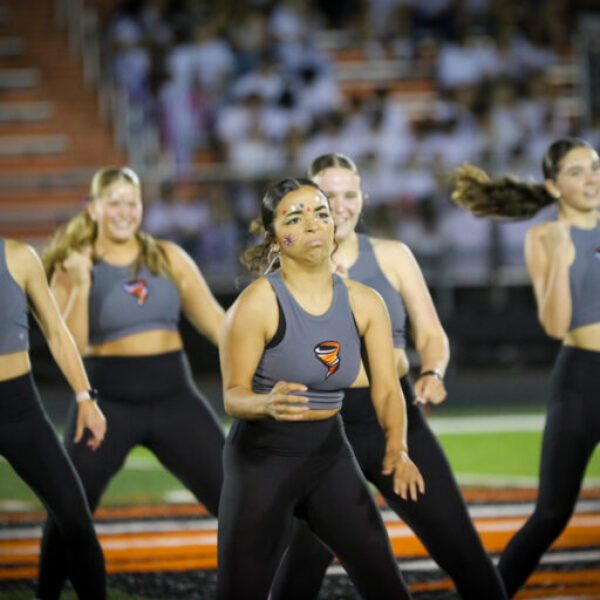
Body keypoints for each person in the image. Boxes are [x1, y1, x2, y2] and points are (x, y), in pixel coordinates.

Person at [270, 153, 507, 600]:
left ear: (363, 198)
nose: (339, 206)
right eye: (327, 196)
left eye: (349, 194)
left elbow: (432, 334)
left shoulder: (393, 255)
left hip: (393, 419)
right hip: (319, 430)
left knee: (462, 550)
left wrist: (433, 371)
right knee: (302, 565)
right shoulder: (285, 265)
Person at [217, 177, 425, 600]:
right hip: (262, 462)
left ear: (335, 226)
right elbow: (232, 395)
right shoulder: (258, 302)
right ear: (276, 237)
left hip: (329, 454)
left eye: (321, 213)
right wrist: (265, 402)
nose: (312, 224)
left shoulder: (366, 302)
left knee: (387, 586)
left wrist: (397, 448)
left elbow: (386, 390)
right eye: (295, 217)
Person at [36, 166, 226, 600]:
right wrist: (82, 285)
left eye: (132, 203)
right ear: (94, 207)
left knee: (233, 498)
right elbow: (73, 346)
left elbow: (218, 324)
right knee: (70, 511)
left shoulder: (168, 256)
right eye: (114, 202)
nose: (124, 211)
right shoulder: (75, 262)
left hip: (175, 397)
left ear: (143, 207)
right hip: (108, 403)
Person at [451, 136, 600, 597]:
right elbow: (555, 325)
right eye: (576, 171)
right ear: (553, 186)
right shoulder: (544, 236)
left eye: (594, 166)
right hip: (583, 379)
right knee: (553, 512)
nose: (591, 177)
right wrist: (560, 260)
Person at [0, 236, 106, 599]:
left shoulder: (18, 257)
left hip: (19, 409)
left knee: (75, 519)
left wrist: (85, 397)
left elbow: (57, 332)